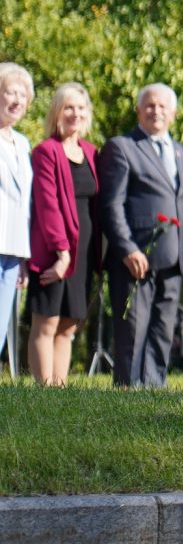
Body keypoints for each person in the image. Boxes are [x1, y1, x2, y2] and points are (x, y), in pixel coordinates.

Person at [98, 84, 183, 389]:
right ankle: (128, 390)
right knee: (132, 330)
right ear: (139, 110)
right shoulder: (122, 147)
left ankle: (154, 389)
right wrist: (127, 248)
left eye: (163, 106)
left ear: (173, 114)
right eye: (150, 106)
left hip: (173, 256)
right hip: (135, 258)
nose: (156, 111)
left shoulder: (181, 152)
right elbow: (111, 204)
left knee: (164, 328)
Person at [25, 82, 100, 387]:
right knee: (47, 320)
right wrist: (61, 252)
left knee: (68, 325)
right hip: (54, 248)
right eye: (69, 107)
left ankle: (60, 388)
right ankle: (44, 390)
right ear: (57, 111)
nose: (75, 113)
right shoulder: (46, 152)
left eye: (81, 108)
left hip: (83, 250)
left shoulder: (91, 152)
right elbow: (47, 204)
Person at [0, 64, 30, 376]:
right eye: (10, 91)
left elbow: (25, 202)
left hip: (12, 246)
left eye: (23, 95)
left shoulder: (22, 143)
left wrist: (23, 256)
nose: (17, 99)